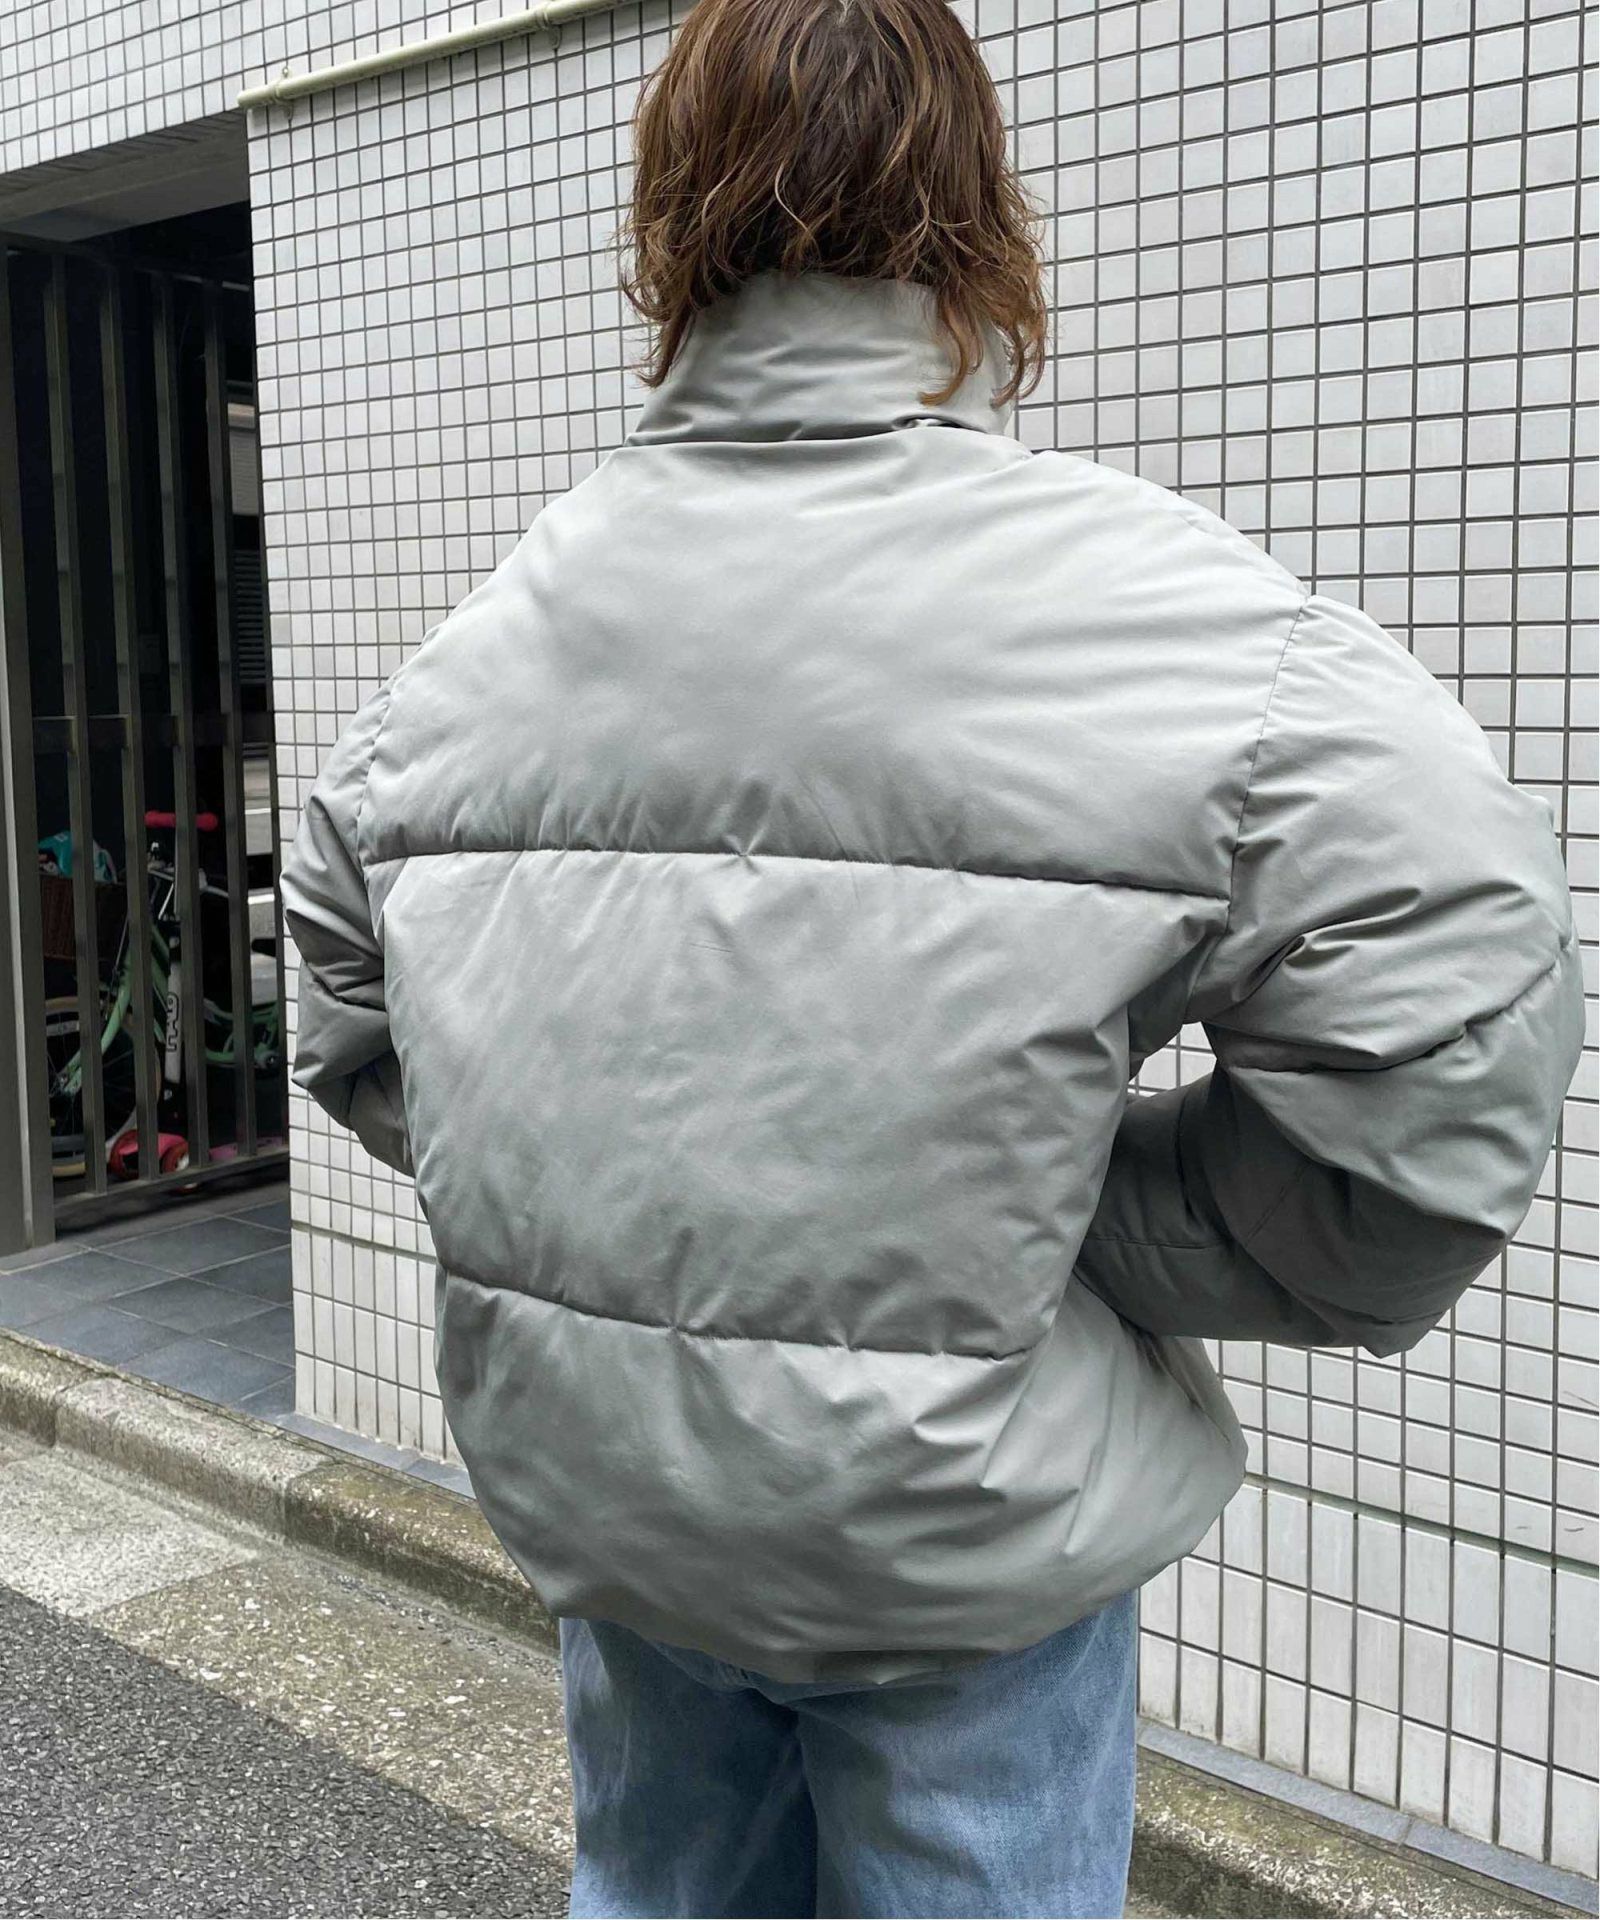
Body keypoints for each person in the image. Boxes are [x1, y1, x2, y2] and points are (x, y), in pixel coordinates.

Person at [278, 0, 1586, 1913]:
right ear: (977, 220)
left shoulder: (483, 647)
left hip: (625, 1514)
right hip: (960, 1551)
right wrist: (1054, 1229)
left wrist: (632, 1207)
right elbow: (1451, 1016)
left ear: (672, 228)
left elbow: (342, 995)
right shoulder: (1181, 631)